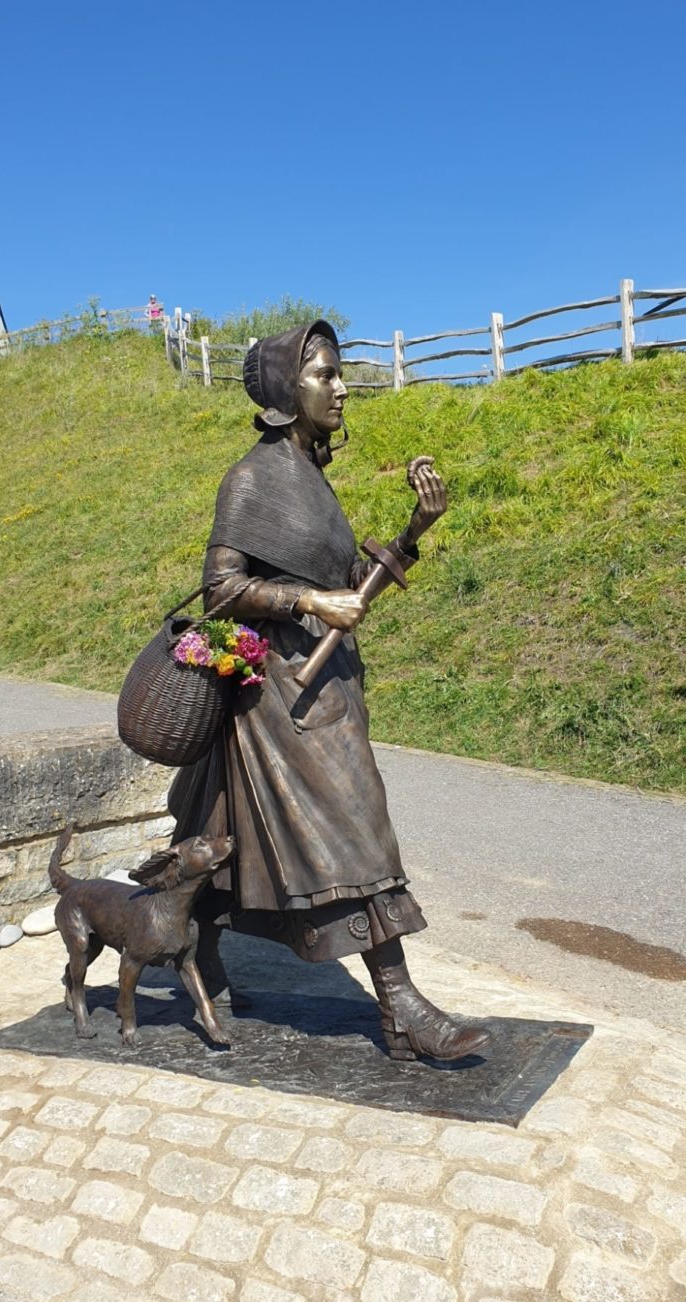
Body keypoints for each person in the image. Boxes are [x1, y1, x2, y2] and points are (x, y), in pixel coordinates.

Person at [169, 320, 488, 1063]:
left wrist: (414, 530)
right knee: (359, 828)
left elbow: (350, 591)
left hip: (327, 685)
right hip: (284, 696)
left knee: (232, 835)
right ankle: (401, 1006)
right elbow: (221, 590)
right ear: (287, 389)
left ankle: (198, 952)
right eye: (323, 375)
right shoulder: (250, 479)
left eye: (339, 373)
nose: (340, 387)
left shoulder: (313, 478)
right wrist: (308, 605)